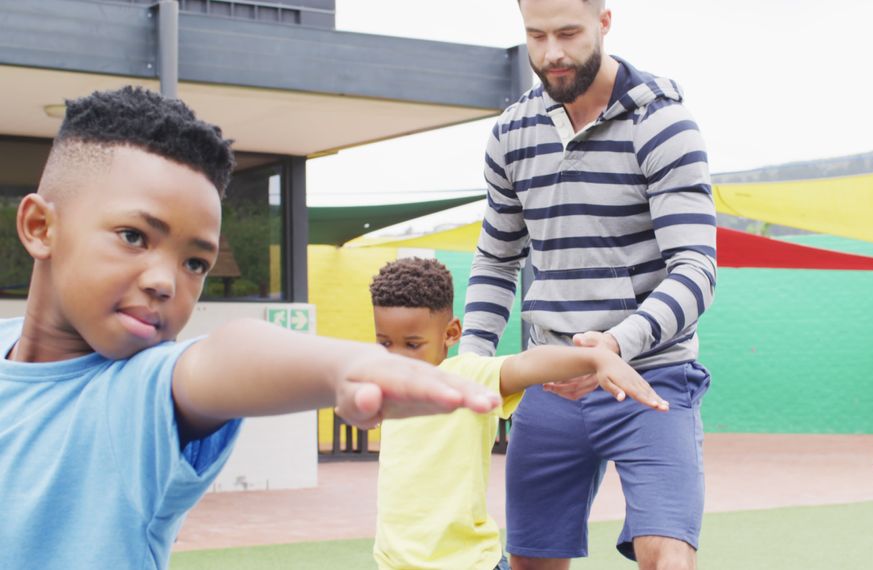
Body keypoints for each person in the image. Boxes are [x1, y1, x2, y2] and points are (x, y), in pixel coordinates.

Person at [0, 86, 503, 570]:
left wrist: (346, 365)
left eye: (195, 263)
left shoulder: (137, 391)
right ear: (41, 227)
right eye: (134, 236)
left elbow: (224, 356)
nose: (165, 282)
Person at [460, 0, 717, 567]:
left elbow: (696, 269)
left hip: (651, 377)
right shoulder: (510, 133)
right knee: (531, 562)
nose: (551, 53)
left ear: (605, 22)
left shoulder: (663, 124)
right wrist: (470, 362)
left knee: (666, 556)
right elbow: (497, 260)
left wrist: (616, 344)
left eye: (569, 33)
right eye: (536, 35)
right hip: (550, 386)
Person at [369, 257, 669, 570]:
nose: (398, 356)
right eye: (385, 342)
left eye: (413, 344)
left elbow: (527, 364)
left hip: (467, 563)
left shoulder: (466, 376)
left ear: (451, 333)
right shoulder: (385, 381)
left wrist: (594, 360)